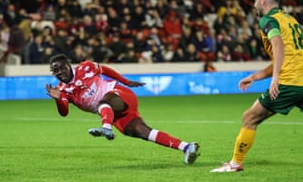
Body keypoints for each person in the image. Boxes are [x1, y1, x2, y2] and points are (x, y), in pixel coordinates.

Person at [211, 0, 303, 173]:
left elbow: (278, 46)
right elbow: (286, 55)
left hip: (289, 82)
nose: (254, 5)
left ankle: (235, 163)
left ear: (262, 0)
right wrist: (255, 77)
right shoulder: (291, 20)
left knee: (250, 118)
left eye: (254, 0)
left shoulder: (268, 20)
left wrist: (276, 77)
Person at [45, 54, 200, 164]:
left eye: (61, 68)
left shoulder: (86, 67)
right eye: (55, 71)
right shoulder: (62, 90)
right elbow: (64, 112)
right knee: (143, 132)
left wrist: (126, 81)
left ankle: (106, 128)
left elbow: (105, 70)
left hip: (121, 96)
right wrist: (58, 101)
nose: (59, 73)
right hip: (116, 116)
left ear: (68, 65)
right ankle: (187, 147)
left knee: (103, 102)